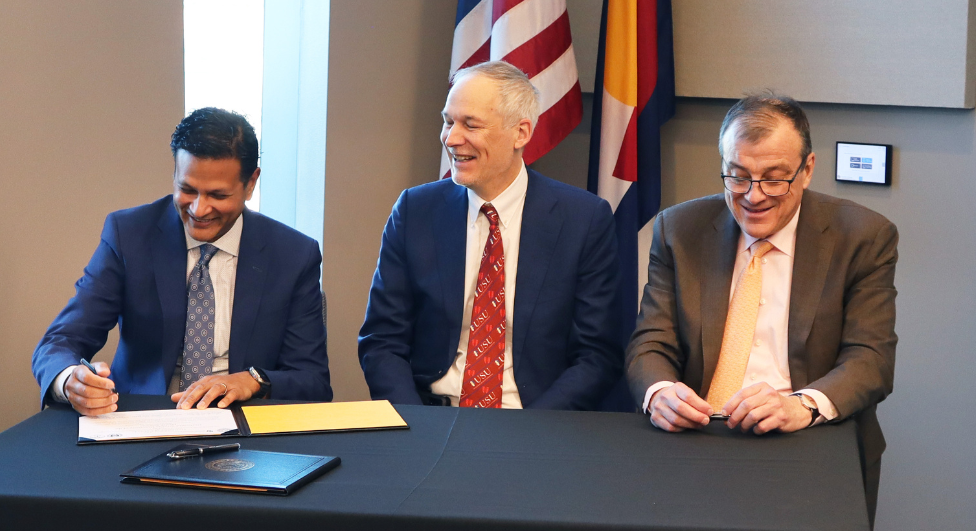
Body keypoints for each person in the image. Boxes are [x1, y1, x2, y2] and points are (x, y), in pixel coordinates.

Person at [625, 93, 897, 520]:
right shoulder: (680, 229)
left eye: (774, 179)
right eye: (737, 176)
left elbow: (871, 360)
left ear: (806, 170)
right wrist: (660, 391)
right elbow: (650, 343)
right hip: (698, 439)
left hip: (807, 440)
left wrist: (802, 404)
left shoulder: (862, 237)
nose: (753, 197)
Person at [355, 61, 620, 410]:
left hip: (536, 424)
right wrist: (413, 426)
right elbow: (382, 341)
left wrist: (533, 434)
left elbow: (597, 355)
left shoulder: (583, 220)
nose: (451, 138)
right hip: (430, 418)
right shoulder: (415, 211)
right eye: (448, 121)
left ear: (521, 133)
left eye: (470, 124)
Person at [31, 107, 331, 416]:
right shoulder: (130, 235)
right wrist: (70, 382)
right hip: (141, 421)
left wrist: (253, 381)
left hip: (245, 425)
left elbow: (312, 381)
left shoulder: (294, 254)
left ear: (251, 183)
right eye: (187, 190)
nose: (200, 210)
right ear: (174, 173)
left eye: (217, 195)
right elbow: (60, 341)